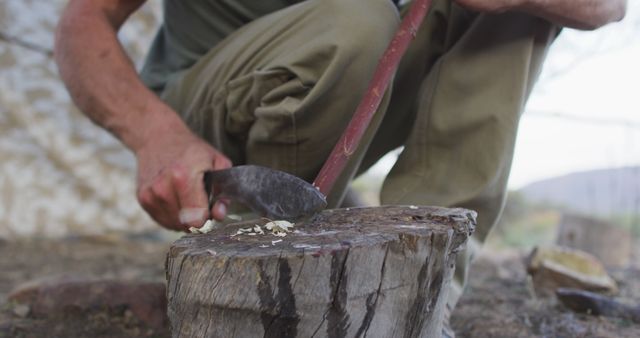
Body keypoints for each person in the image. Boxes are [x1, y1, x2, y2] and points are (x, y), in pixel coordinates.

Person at [54, 0, 626, 335]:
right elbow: (84, 19)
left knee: (516, 12)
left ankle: (420, 295)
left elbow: (606, 5)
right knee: (355, 23)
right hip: (212, 113)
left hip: (363, 94)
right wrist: (154, 135)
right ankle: (257, 269)